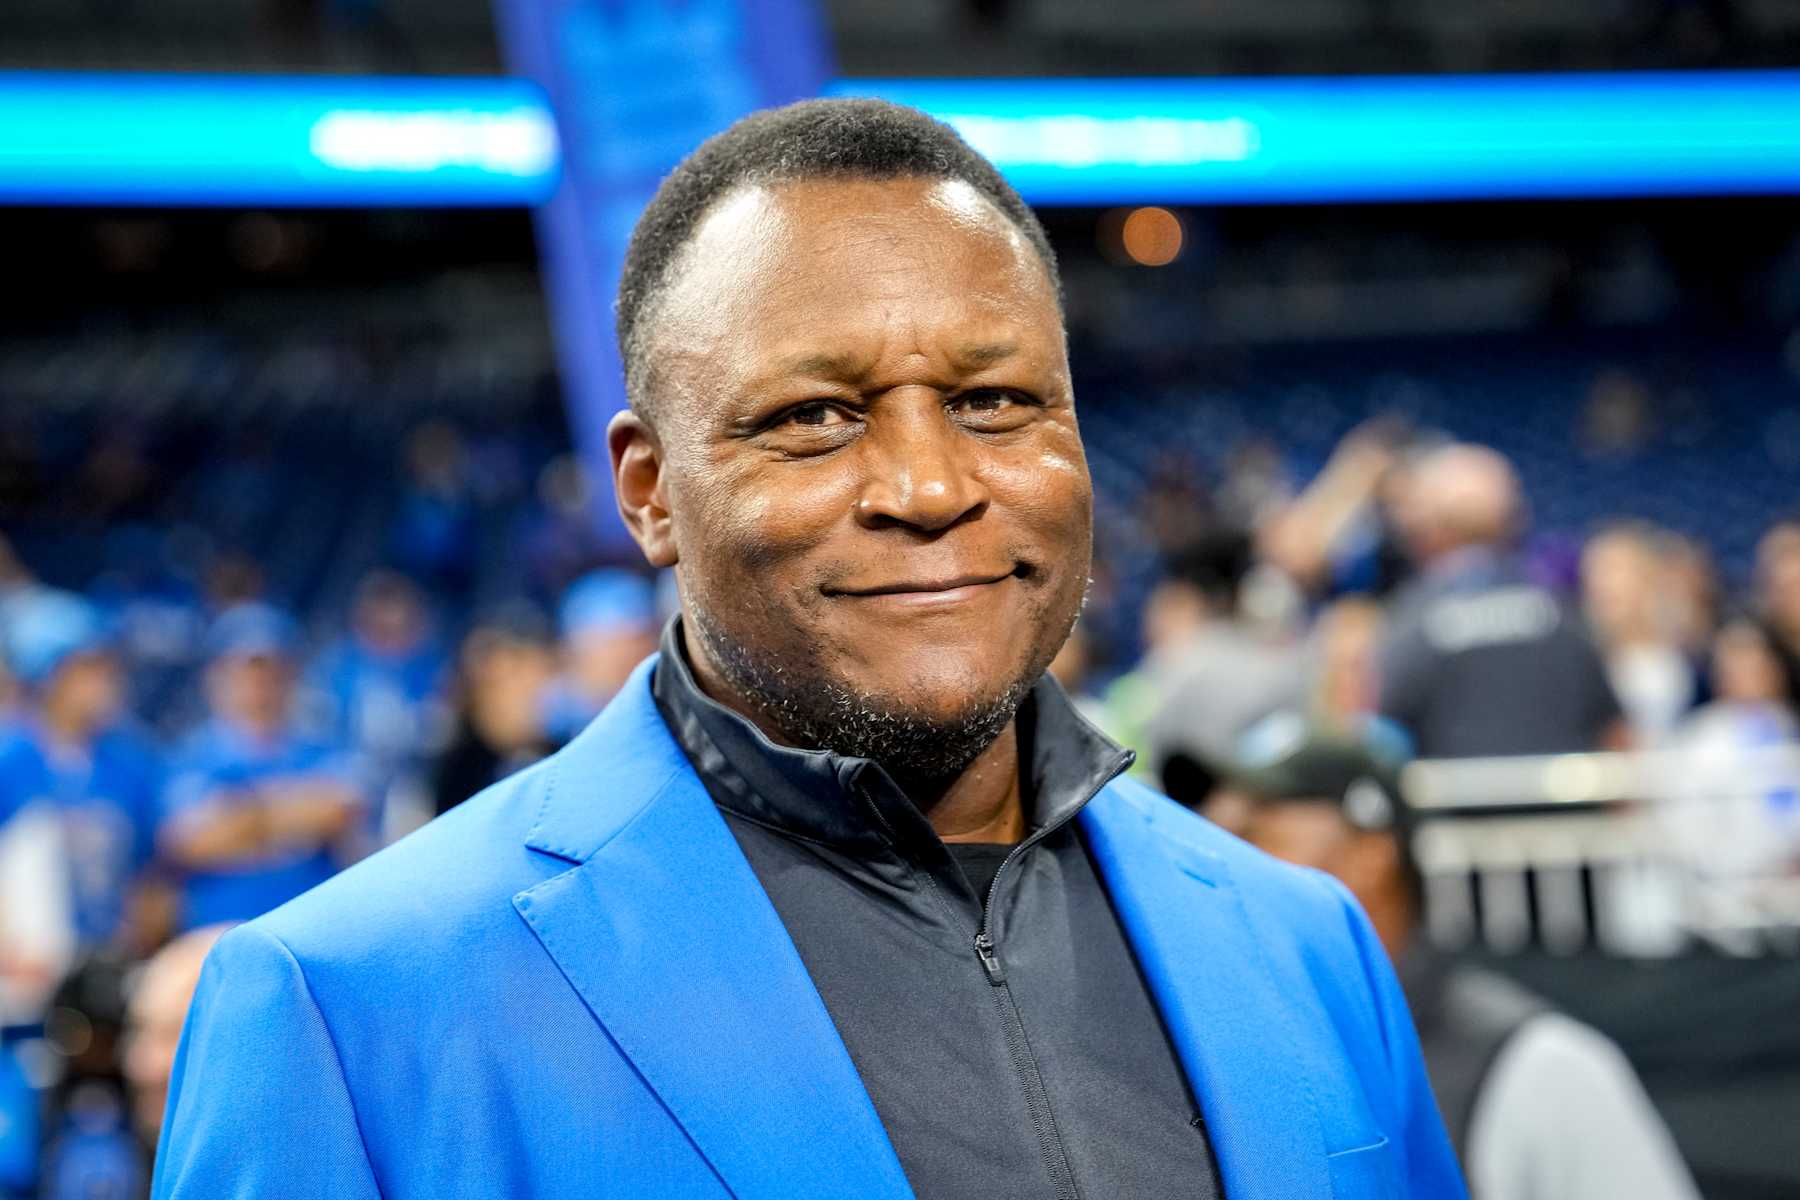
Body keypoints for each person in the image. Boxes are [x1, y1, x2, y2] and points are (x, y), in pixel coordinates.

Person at [154, 99, 1463, 1199]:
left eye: (996, 401)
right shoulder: (348, 1005)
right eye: (818, 416)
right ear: (650, 489)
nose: (928, 484)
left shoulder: (1309, 943)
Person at [1213, 722, 1702, 1200]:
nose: (1215, 868)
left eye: (1254, 837)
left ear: (1369, 856)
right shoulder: (1232, 1062)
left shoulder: (1537, 1064)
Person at [1378, 444, 1625, 758]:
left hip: (1449, 804)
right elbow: (1616, 735)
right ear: (1514, 522)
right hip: (1565, 806)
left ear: (1427, 531)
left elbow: (1380, 734)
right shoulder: (1562, 613)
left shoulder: (1409, 620)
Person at [157, 603, 365, 931]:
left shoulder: (321, 748)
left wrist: (240, 811)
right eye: (246, 670)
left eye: (272, 670)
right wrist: (294, 811)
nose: (260, 683)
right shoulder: (191, 755)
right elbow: (192, 842)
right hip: (219, 935)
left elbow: (340, 810)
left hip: (308, 933)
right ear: (216, 675)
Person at [0, 590, 166, 956]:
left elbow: (149, 872)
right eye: (89, 669)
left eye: (109, 668)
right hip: (19, 967)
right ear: (49, 676)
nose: (106, 682)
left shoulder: (132, 762)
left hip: (102, 962)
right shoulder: (9, 758)